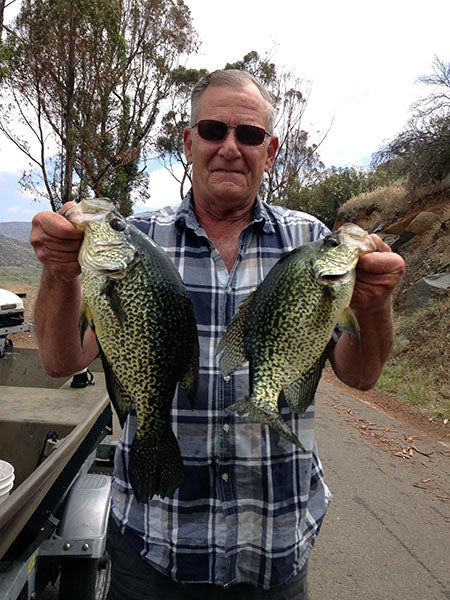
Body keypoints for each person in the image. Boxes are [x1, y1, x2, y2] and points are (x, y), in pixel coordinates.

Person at [30, 69, 405, 599]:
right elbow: (60, 360)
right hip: (152, 544)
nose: (230, 147)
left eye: (248, 135)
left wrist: (376, 304)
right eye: (213, 130)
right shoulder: (135, 239)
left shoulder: (312, 244)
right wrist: (61, 271)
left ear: (270, 151)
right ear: (188, 142)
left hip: (273, 548)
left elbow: (362, 376)